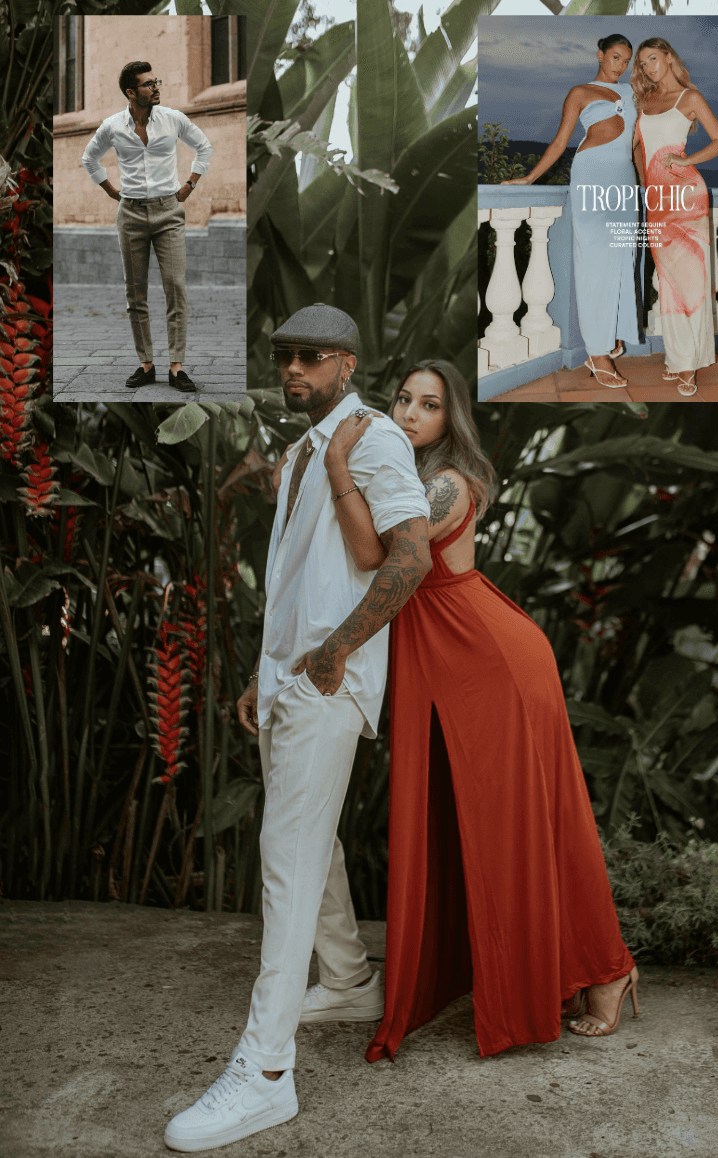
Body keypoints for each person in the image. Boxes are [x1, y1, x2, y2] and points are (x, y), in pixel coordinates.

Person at [302, 358, 639, 1062]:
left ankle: (608, 972)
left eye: (429, 404)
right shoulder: (410, 478)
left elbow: (374, 556)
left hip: (489, 661)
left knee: (529, 821)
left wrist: (338, 466)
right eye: (403, 400)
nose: (410, 414)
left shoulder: (446, 484)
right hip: (456, 661)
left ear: (450, 419)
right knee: (482, 823)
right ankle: (542, 970)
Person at [163, 305, 431, 1152]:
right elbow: (303, 574)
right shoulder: (311, 447)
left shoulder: (375, 441)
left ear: (347, 365)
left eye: (311, 358)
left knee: (286, 860)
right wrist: (266, 671)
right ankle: (350, 979)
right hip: (290, 681)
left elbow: (411, 555)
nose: (293, 371)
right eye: (285, 357)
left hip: (327, 682)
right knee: (313, 845)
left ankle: (267, 1072)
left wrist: (332, 655)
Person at [502, 34, 640, 390]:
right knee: (595, 259)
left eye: (626, 60)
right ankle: (597, 353)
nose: (620, 65)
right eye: (614, 57)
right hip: (591, 173)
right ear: (600, 55)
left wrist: (646, 184)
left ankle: (612, 333)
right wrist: (531, 178)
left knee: (624, 256)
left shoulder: (631, 92)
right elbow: (561, 141)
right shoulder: (580, 92)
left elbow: (637, 143)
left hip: (625, 178)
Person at [81, 61, 212, 394]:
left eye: (157, 82)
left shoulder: (173, 119)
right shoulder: (112, 127)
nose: (156, 88)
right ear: (130, 92)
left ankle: (177, 368)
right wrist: (112, 191)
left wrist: (190, 184)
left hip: (169, 212)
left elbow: (204, 146)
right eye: (148, 84)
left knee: (175, 287)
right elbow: (89, 158)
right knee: (135, 294)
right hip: (131, 215)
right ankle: (146, 365)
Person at [633, 38, 718, 396]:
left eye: (653, 59)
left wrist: (686, 160)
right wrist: (646, 195)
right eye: (643, 63)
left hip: (687, 197)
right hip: (657, 199)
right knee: (668, 282)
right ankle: (679, 358)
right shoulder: (644, 101)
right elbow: (640, 150)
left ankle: (687, 365)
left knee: (689, 280)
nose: (648, 68)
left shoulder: (690, 98)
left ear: (669, 57)